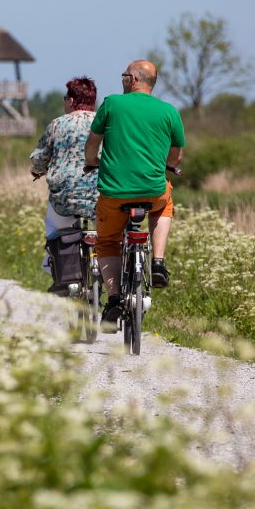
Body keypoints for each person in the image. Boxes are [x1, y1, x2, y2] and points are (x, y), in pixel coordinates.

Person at [84, 60, 184, 332]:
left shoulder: (112, 104)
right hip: (153, 192)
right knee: (165, 205)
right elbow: (176, 156)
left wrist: (91, 162)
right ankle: (159, 263)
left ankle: (114, 297)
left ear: (131, 79)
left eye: (123, 76)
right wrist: (169, 166)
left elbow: (92, 144)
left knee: (106, 242)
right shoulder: (169, 111)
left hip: (114, 194)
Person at [30, 77, 99, 291]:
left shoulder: (58, 124)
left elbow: (40, 157)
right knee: (110, 234)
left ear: (70, 100)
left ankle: (61, 275)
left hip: (65, 199)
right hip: (101, 197)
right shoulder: (104, 123)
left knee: (53, 229)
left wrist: (38, 170)